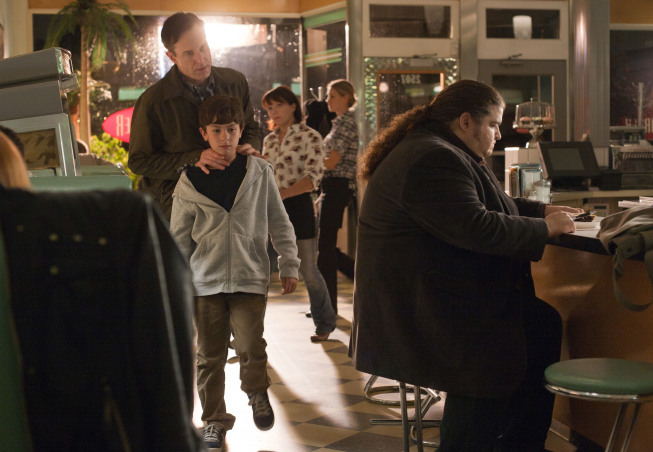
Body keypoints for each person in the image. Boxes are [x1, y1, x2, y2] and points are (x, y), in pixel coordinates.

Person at [350, 80, 583, 452]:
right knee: (498, 348)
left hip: (435, 295)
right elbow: (477, 226)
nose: (499, 133)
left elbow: (492, 204)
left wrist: (542, 210)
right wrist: (545, 228)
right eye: (493, 124)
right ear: (465, 121)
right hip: (422, 308)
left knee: (540, 323)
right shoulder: (433, 157)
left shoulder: (445, 149)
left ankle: (518, 440)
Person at [169, 95, 299, 451]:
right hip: (203, 281)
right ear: (204, 133)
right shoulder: (190, 181)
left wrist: (289, 261)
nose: (224, 136)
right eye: (216, 130)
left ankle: (256, 392)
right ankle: (214, 421)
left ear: (241, 130)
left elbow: (279, 220)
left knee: (249, 345)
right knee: (208, 356)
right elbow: (179, 238)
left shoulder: (260, 172)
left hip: (250, 275)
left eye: (231, 129)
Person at [129, 12, 260, 220]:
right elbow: (139, 162)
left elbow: (251, 128)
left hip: (230, 195)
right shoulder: (153, 101)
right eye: (189, 53)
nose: (201, 59)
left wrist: (249, 147)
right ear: (172, 57)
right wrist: (195, 158)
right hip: (174, 204)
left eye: (203, 47)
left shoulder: (235, 82)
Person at [261, 85, 337, 342]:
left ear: (293, 105)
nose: (274, 111)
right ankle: (249, 332)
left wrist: (282, 194)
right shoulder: (269, 140)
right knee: (259, 271)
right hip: (270, 209)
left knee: (308, 270)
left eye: (278, 105)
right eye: (270, 108)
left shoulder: (310, 136)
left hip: (299, 207)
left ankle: (325, 322)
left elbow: (313, 178)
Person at [318, 79, 359, 313]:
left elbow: (332, 162)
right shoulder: (340, 123)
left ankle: (327, 307)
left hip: (337, 185)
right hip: (333, 186)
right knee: (325, 247)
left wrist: (311, 163)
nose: (327, 100)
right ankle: (326, 304)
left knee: (325, 249)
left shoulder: (345, 124)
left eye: (332, 96)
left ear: (345, 97)